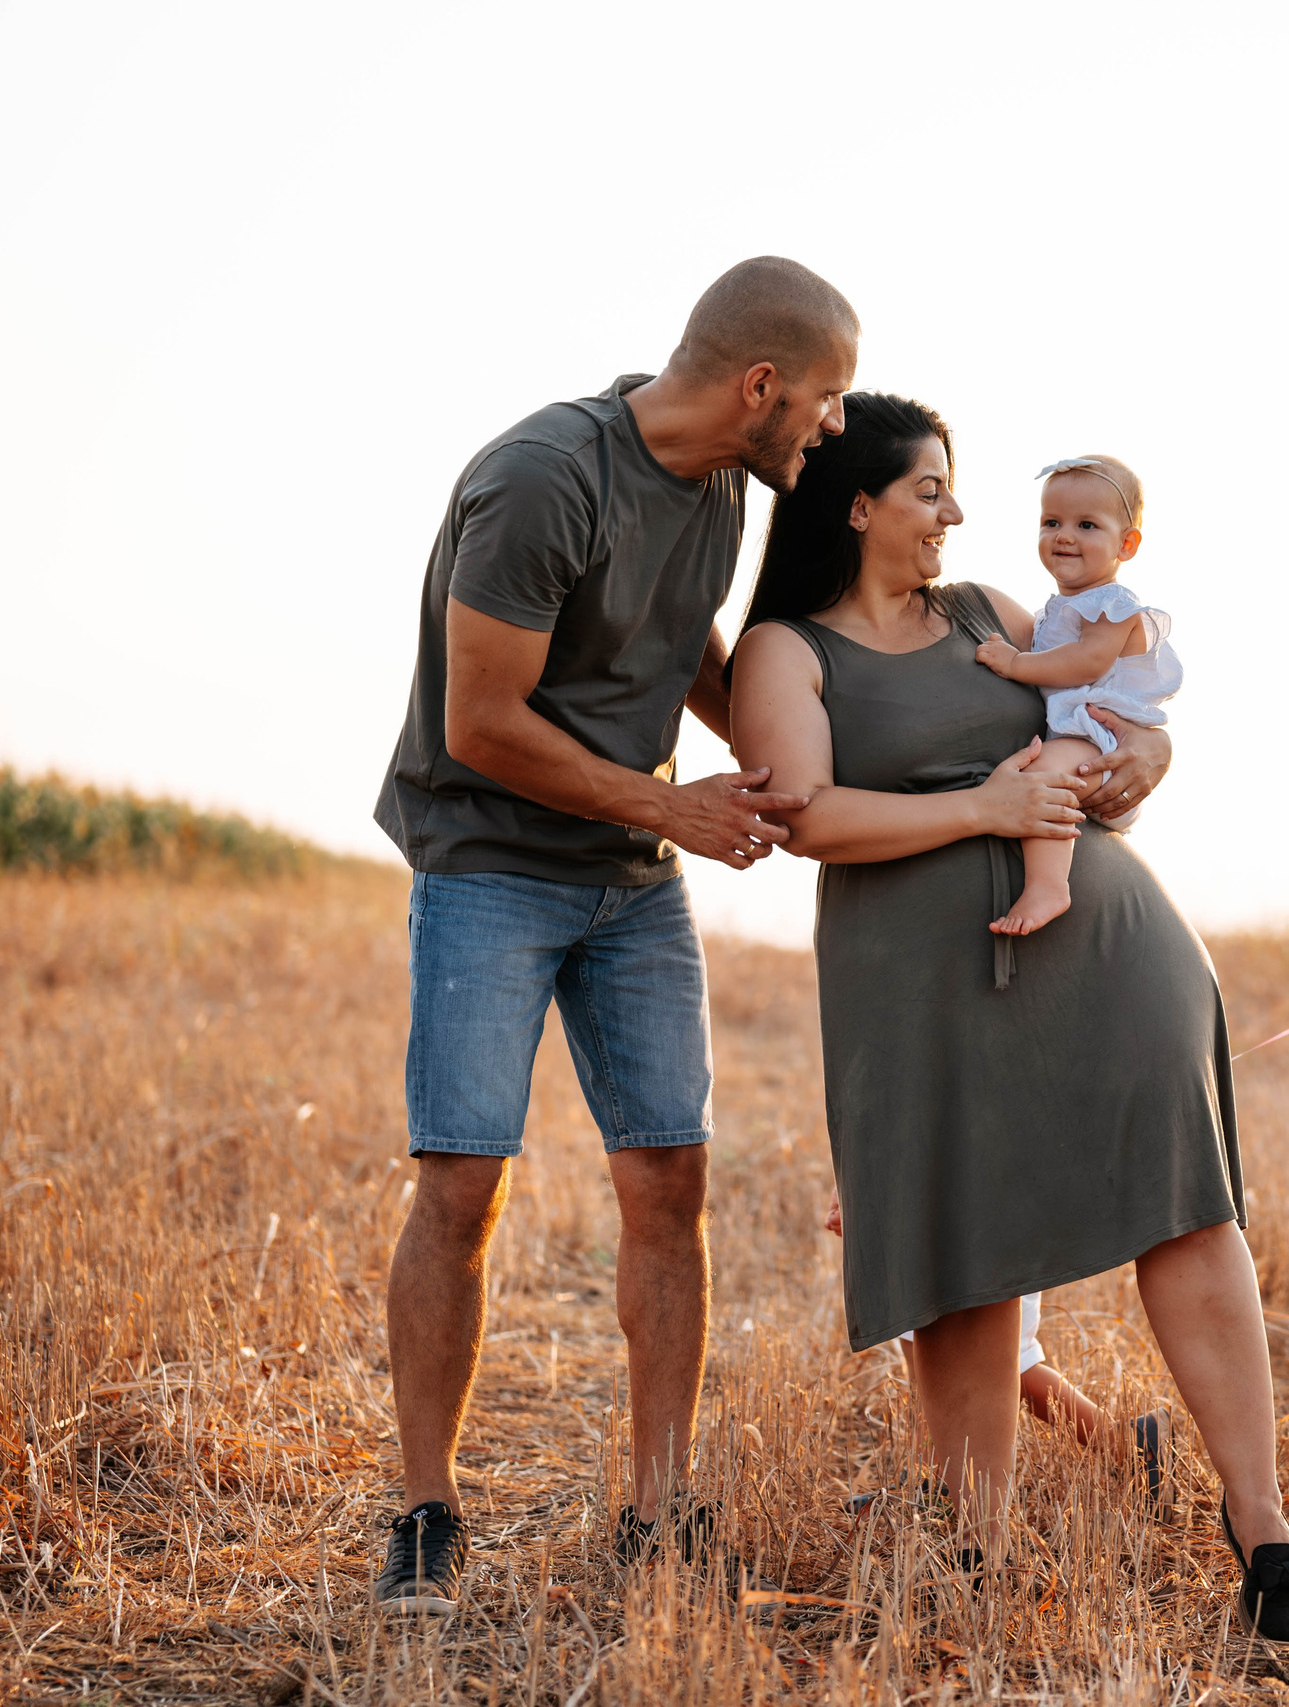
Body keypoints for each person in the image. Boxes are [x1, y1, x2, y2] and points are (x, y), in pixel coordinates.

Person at [727, 394, 1289, 1641]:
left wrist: (1141, 769)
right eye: (931, 490)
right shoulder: (786, 651)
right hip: (914, 978)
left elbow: (1107, 728)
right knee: (960, 1241)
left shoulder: (993, 615)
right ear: (858, 506)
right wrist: (981, 813)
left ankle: (1259, 1519)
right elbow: (807, 819)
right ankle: (977, 1554)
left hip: (1106, 940)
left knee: (1186, 1198)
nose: (955, 514)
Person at [362, 257, 856, 1618]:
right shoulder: (543, 476)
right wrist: (675, 809)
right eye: (822, 401)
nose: (825, 429)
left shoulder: (717, 491)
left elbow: (679, 648)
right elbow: (482, 721)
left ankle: (658, 1505)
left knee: (671, 1181)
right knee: (462, 1187)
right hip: (491, 867)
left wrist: (793, 767)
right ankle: (424, 1507)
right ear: (761, 384)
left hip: (631, 877)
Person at [823, 1194, 1174, 1504]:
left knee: (1005, 1361)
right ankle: (932, 1478)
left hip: (993, 1197)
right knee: (919, 1334)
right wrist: (854, 1187)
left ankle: (1132, 1444)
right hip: (926, 1194)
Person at [972, 455, 1182, 937]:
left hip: (1098, 739)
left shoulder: (1112, 605)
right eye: (1051, 522)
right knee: (1042, 775)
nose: (1064, 535)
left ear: (1126, 545)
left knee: (1042, 780)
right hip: (1081, 735)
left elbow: (1087, 663)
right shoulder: (1063, 606)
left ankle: (1048, 885)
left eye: (1086, 524)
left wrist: (1015, 663)